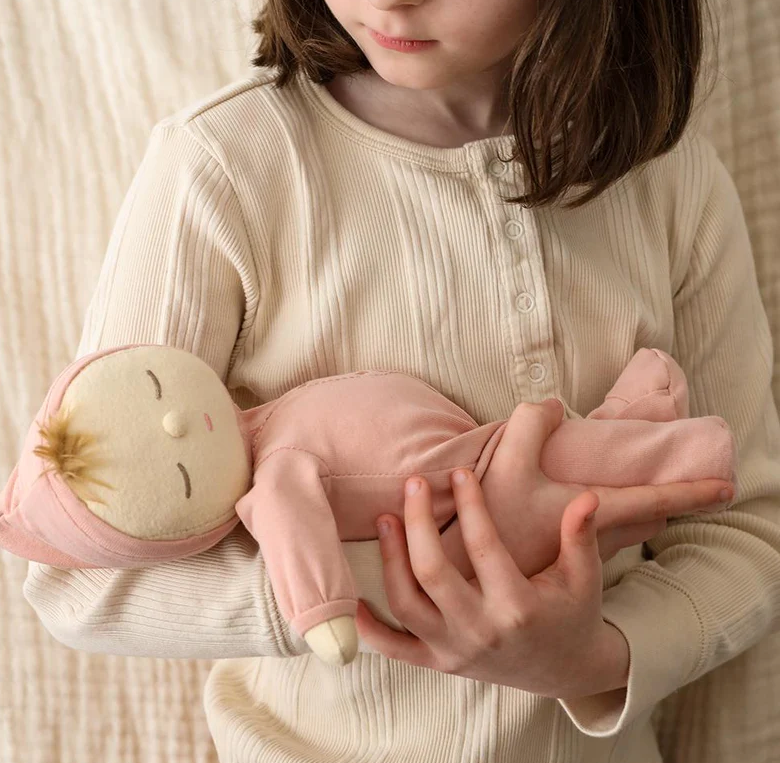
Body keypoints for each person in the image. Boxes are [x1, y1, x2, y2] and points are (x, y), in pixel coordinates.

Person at [21, 0, 780, 761]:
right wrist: (429, 572)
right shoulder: (225, 166)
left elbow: (746, 529)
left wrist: (596, 658)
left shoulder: (669, 180)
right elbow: (83, 580)